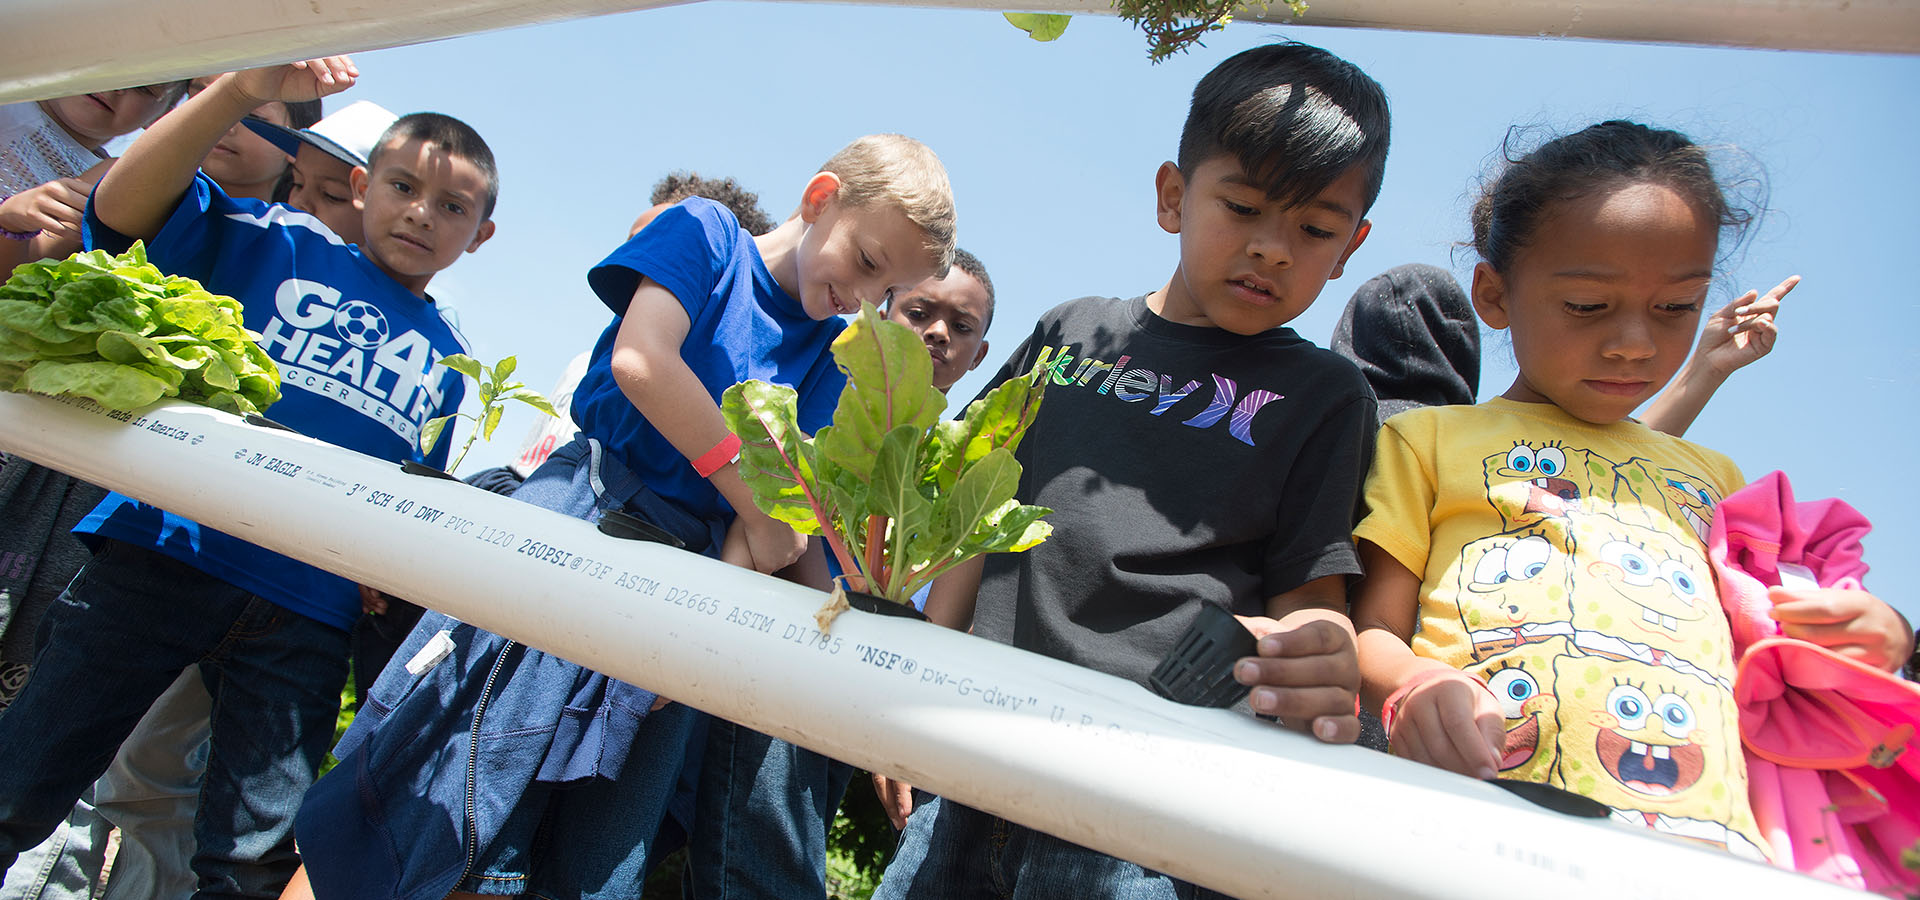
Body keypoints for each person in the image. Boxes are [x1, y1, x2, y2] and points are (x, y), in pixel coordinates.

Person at [290, 133, 955, 900]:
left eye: (885, 293)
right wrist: (752, 494)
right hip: (582, 525)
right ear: (819, 199)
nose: (864, 299)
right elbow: (642, 363)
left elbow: (773, 533)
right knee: (435, 795)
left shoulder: (836, 355)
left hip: (685, 599)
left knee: (587, 852)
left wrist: (692, 650)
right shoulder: (707, 234)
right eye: (867, 264)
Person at [876, 41, 1385, 899]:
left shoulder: (1328, 395)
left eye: (1314, 230)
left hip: (1153, 806)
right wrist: (916, 679)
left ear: (1351, 246)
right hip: (974, 752)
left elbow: (1310, 608)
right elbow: (974, 509)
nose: (1271, 249)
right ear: (1173, 196)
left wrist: (1322, 656)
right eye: (1245, 207)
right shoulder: (1071, 332)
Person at [1348, 120, 1914, 860]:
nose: (1634, 344)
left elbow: (1766, 649)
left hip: (1711, 847)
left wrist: (1874, 636)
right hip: (1476, 825)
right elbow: (1372, 631)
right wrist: (1414, 685)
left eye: (1676, 308)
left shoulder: (1718, 477)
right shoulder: (1425, 441)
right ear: (1493, 294)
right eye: (1587, 306)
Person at [0, 57, 497, 900]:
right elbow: (119, 207)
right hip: (165, 552)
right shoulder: (268, 240)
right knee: (24, 781)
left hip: (308, 613)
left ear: (480, 235)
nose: (420, 213)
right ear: (359, 184)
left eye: (451, 206)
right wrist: (234, 90)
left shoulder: (453, 362)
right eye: (403, 186)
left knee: (246, 860)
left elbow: (413, 490)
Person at [0, 83, 338, 900]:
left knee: (97, 755)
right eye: (220, 104)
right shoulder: (131, 186)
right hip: (58, 473)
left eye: (263, 121)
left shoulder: (262, 245)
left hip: (130, 510)